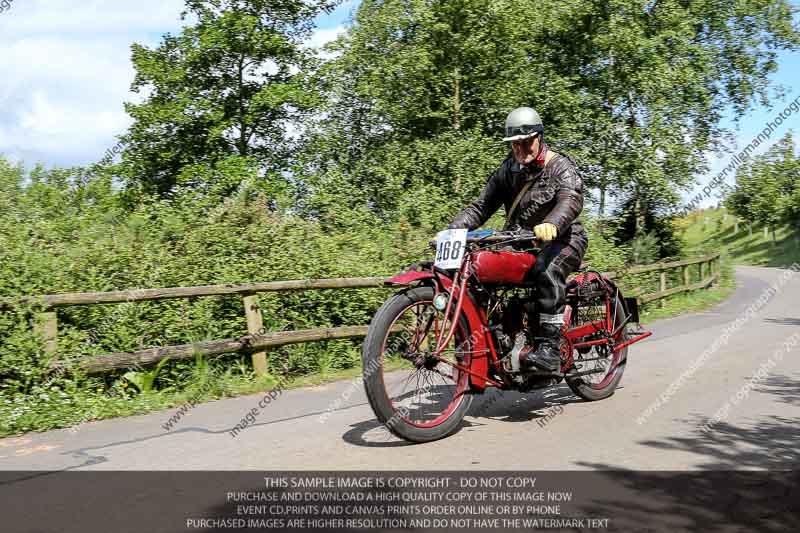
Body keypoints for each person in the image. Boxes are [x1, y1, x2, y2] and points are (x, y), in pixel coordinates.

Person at [448, 107, 588, 372]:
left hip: (565, 240)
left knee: (548, 269)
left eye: (527, 142)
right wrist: (452, 230)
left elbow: (571, 198)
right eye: (515, 145)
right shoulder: (507, 170)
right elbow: (480, 207)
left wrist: (552, 224)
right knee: (477, 268)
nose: (521, 150)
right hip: (521, 240)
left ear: (540, 137)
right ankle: (492, 340)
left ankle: (549, 349)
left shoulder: (560, 166)